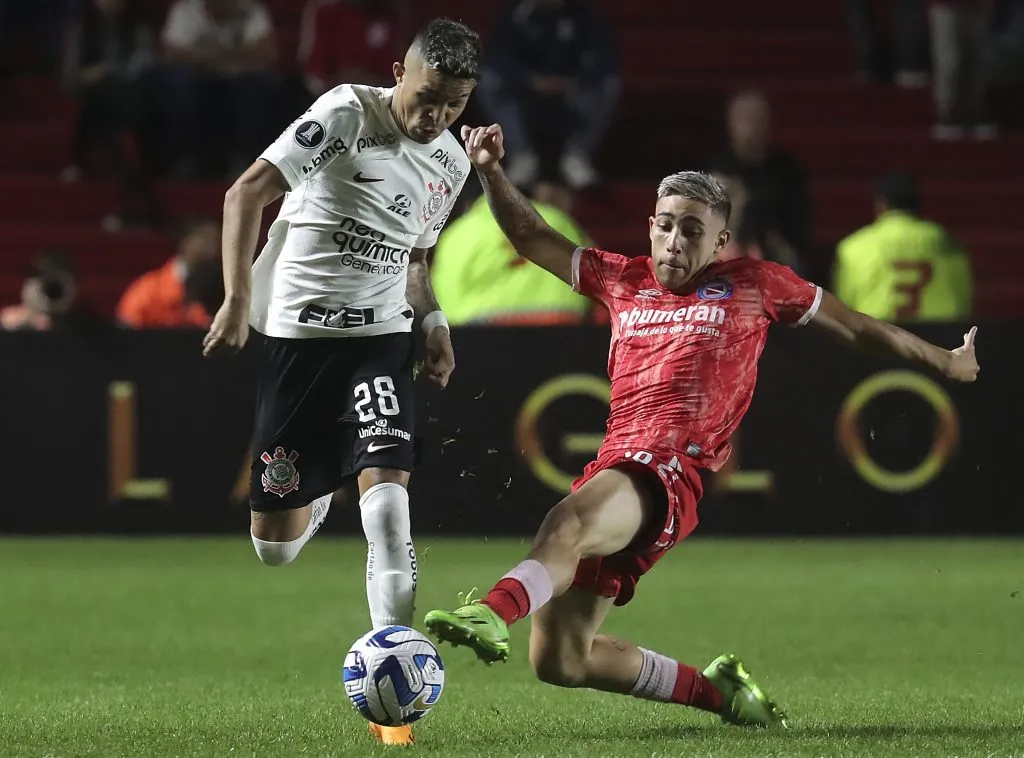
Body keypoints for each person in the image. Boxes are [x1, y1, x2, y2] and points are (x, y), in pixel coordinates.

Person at [424, 124, 979, 728]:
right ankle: (721, 694)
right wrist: (488, 170)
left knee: (567, 521)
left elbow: (859, 328)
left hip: (667, 471)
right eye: (664, 225)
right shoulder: (622, 279)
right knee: (561, 660)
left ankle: (490, 612)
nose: (673, 241)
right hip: (615, 463)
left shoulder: (756, 285)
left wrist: (945, 360)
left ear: (721, 243)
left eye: (692, 231)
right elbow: (532, 236)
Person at [201, 18, 480, 747]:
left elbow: (417, 260)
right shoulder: (343, 114)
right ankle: (320, 490)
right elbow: (245, 194)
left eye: (453, 106)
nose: (435, 118)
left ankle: (398, 708)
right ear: (398, 72)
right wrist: (235, 301)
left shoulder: (450, 163)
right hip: (297, 341)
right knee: (274, 547)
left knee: (389, 509)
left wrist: (436, 323)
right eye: (426, 99)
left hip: (380, 342)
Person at [833, 172, 972, 321]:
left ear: (881, 204)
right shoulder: (947, 242)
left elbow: (844, 312)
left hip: (878, 337)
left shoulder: (853, 248)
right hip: (938, 338)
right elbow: (963, 299)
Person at [116, 216, 222, 328]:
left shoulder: (226, 287)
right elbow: (127, 322)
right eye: (206, 238)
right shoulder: (148, 288)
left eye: (216, 239)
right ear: (184, 241)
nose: (213, 246)